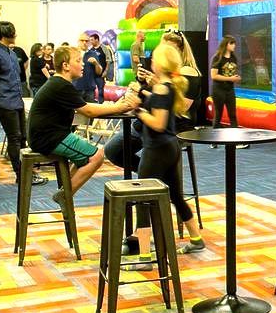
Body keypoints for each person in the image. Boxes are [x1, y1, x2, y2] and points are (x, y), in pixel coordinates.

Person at [125, 43, 206, 268]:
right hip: (170, 148)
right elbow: (159, 102)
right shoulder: (168, 86)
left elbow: (158, 123)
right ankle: (196, 239)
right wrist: (142, 93)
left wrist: (138, 110)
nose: (151, 62)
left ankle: (143, 256)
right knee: (176, 196)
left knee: (142, 200)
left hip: (157, 149)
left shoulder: (162, 88)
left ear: (160, 64)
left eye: (154, 59)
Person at [27, 45, 139, 205]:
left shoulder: (59, 83)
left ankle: (65, 190)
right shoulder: (61, 85)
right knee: (97, 156)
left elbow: (85, 108)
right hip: (48, 138)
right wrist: (119, 107)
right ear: (65, 65)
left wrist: (114, 106)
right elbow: (89, 111)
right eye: (78, 60)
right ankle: (65, 195)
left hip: (46, 136)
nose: (83, 64)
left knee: (86, 157)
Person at [0, 21, 45, 185]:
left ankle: (26, 173)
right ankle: (22, 176)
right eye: (13, 33)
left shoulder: (10, 53)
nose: (15, 35)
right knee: (15, 138)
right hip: (4, 102)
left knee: (22, 138)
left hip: (16, 101)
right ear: (5, 35)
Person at [210, 36, 240, 128]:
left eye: (234, 43)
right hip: (218, 90)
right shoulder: (217, 58)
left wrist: (235, 78)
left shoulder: (233, 57)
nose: (234, 45)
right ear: (226, 44)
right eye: (231, 43)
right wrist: (230, 79)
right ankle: (214, 140)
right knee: (218, 114)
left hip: (230, 89)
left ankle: (234, 140)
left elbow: (231, 73)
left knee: (233, 115)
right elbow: (214, 76)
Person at [75, 33, 102, 103]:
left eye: (86, 41)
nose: (84, 43)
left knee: (90, 111)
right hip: (75, 88)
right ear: (78, 41)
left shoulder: (93, 54)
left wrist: (96, 63)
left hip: (89, 89)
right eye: (82, 40)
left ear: (89, 42)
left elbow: (99, 72)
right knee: (74, 112)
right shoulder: (72, 54)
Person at [89, 33, 107, 102]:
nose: (90, 42)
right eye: (90, 40)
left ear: (97, 40)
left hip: (100, 74)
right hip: (92, 74)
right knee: (91, 91)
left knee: (100, 90)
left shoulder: (104, 48)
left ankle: (101, 104)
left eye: (92, 40)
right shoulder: (90, 50)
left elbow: (108, 61)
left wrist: (106, 71)